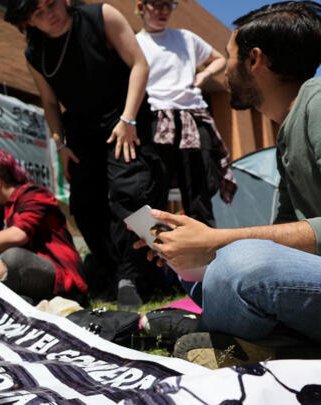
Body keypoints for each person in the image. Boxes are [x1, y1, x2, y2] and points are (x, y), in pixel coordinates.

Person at [135, 1, 321, 366]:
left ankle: (256, 339)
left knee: (238, 264)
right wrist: (194, 247)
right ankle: (283, 346)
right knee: (202, 271)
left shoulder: (318, 103)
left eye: (228, 57)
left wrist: (221, 241)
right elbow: (285, 237)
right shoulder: (287, 131)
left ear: (254, 60)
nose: (224, 71)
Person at [3, 0, 166, 308]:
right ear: (28, 23)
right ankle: (113, 272)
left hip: (125, 117)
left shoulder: (101, 15)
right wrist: (60, 145)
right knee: (86, 205)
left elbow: (139, 64)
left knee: (132, 194)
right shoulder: (34, 53)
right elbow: (50, 103)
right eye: (39, 13)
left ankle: (143, 275)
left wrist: (128, 119)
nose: (50, 14)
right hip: (80, 129)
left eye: (52, 4)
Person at [135, 0, 236, 228]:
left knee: (199, 190)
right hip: (155, 118)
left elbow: (220, 58)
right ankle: (153, 252)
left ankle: (204, 255)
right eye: (157, 5)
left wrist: (204, 75)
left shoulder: (185, 37)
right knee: (153, 189)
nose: (163, 11)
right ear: (141, 6)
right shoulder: (135, 43)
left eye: (169, 5)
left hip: (193, 117)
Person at [0, 150, 87, 303]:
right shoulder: (2, 212)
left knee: (12, 257)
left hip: (63, 279)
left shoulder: (34, 194)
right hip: (33, 280)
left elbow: (19, 235)